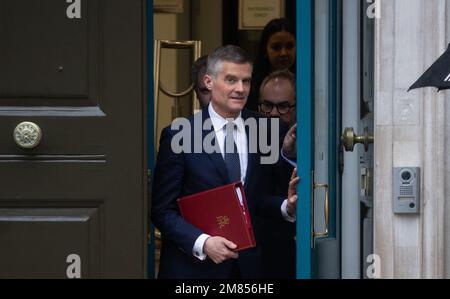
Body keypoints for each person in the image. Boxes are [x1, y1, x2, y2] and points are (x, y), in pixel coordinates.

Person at [151, 45, 298, 279]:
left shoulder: (268, 130)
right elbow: (162, 210)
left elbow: (256, 198)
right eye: (231, 80)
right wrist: (204, 242)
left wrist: (286, 207)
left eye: (246, 81)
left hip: (252, 269)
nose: (240, 89)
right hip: (195, 271)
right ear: (209, 82)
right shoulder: (179, 134)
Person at [245, 18, 296, 112]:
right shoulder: (250, 86)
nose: (283, 53)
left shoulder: (307, 83)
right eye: (276, 47)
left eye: (289, 46)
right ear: (265, 49)